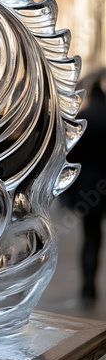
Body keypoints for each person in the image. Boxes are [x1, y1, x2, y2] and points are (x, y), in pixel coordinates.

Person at [65, 77, 106, 305]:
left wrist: (68, 195)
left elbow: (72, 157)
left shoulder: (84, 119)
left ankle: (88, 285)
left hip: (89, 188)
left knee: (91, 236)